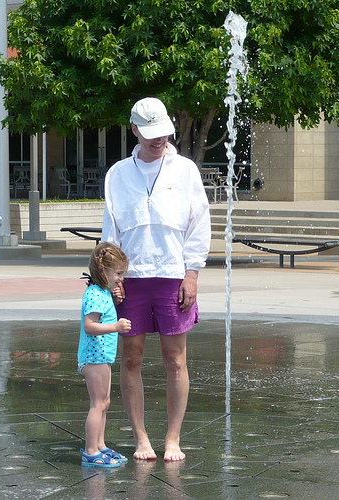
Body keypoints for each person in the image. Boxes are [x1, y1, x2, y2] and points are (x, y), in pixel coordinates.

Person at [101, 97, 211, 461]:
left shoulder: (185, 170)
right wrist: (110, 277)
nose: (157, 139)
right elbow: (110, 230)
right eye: (149, 133)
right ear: (134, 130)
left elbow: (199, 224)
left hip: (172, 276)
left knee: (175, 359)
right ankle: (141, 439)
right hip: (131, 279)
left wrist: (191, 274)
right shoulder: (117, 173)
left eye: (163, 132)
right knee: (131, 358)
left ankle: (173, 439)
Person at [78, 242, 132, 467]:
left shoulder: (102, 292)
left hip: (102, 356)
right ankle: (90, 450)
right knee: (97, 403)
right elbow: (89, 326)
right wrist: (116, 327)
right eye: (118, 273)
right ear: (103, 271)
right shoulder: (94, 294)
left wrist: (116, 301)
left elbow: (105, 315)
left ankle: (100, 445)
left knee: (105, 402)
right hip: (94, 357)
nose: (121, 279)